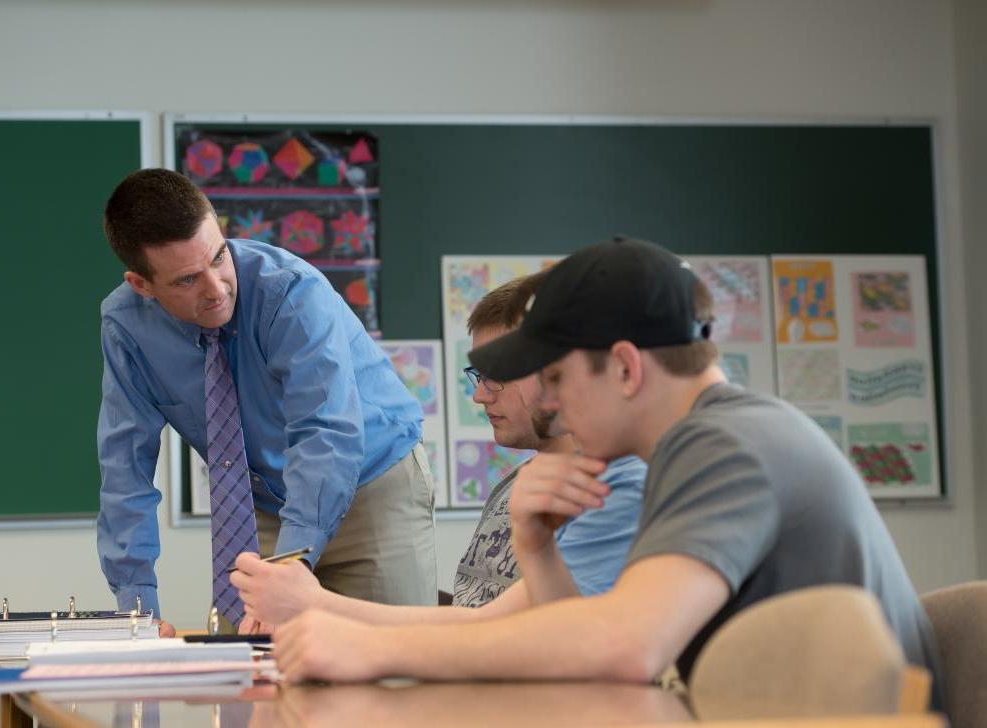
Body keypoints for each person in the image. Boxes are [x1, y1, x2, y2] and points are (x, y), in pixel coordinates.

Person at [267, 237, 944, 713]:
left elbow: (623, 649)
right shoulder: (708, 438)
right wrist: (534, 547)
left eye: (558, 378)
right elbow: (586, 646)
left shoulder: (726, 445)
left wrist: (374, 653)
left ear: (624, 368)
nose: (552, 403)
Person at [96, 169, 437, 635]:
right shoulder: (126, 328)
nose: (215, 288)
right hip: (271, 504)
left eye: (218, 257)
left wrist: (293, 563)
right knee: (266, 673)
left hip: (372, 485)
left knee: (393, 667)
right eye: (186, 281)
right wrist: (137, 607)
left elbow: (325, 431)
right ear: (141, 284)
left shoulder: (291, 291)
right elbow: (124, 468)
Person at [231, 271, 646, 625]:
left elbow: (501, 632)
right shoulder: (518, 483)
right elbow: (477, 608)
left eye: (499, 374)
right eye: (478, 375)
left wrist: (316, 604)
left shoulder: (615, 489)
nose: (481, 396)